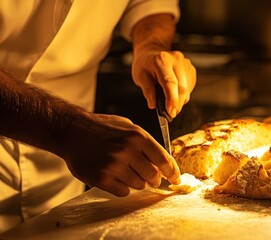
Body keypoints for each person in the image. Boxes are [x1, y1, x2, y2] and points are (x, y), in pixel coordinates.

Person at [0, 0, 196, 233]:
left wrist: (151, 45)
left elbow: (149, 5)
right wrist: (66, 129)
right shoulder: (69, 130)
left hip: (60, 189)